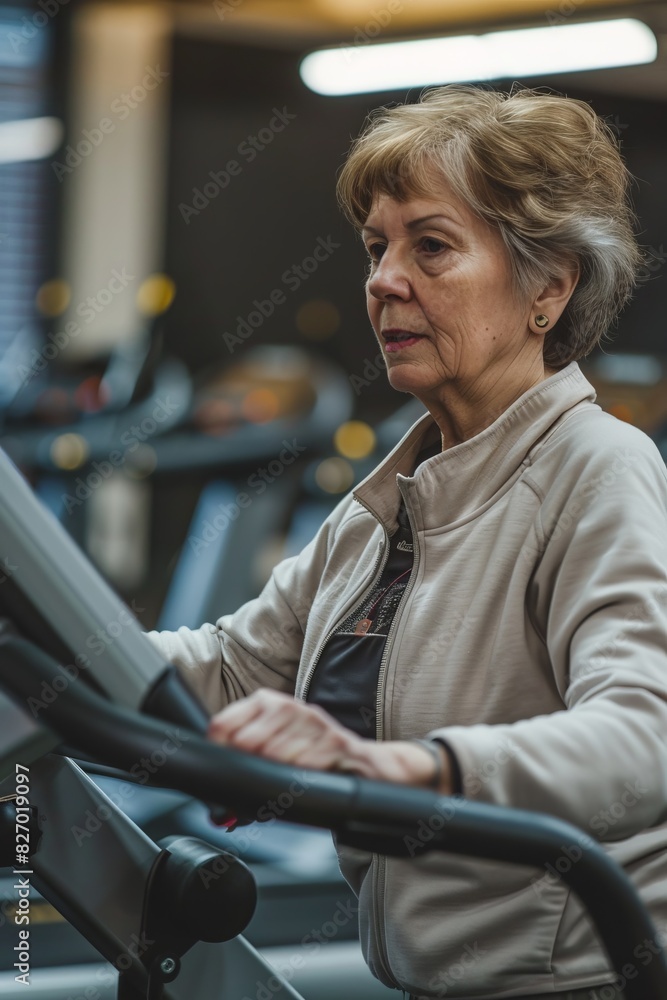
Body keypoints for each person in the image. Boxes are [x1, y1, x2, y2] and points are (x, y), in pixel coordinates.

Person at [147, 86, 667, 999]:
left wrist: (387, 769)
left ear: (549, 285)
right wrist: (49, 659)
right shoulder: (389, 502)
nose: (384, 278)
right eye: (376, 247)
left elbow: (642, 738)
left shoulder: (598, 468)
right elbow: (229, 671)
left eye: (429, 246)